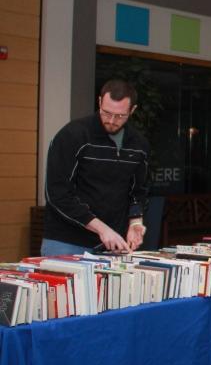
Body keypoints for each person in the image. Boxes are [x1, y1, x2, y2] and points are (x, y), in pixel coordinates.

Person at [43, 79, 150, 255]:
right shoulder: (73, 135)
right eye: (106, 113)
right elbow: (57, 193)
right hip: (66, 241)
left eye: (120, 116)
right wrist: (101, 228)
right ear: (99, 102)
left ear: (132, 110)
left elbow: (138, 190)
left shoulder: (139, 144)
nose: (112, 120)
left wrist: (135, 222)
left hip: (112, 242)